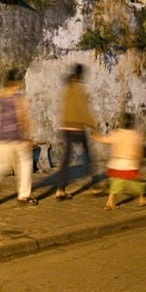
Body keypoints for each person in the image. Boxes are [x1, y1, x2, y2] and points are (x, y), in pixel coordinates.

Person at [0, 68, 38, 208]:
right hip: (16, 139)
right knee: (26, 164)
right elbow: (23, 117)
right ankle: (24, 195)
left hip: (1, 139)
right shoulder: (18, 98)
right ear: (18, 82)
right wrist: (28, 137)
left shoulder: (1, 96)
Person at [91, 112, 146, 210]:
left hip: (116, 165)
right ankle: (141, 198)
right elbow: (138, 152)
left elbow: (104, 140)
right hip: (129, 164)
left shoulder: (117, 134)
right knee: (136, 184)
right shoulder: (135, 135)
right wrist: (139, 161)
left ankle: (110, 201)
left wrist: (95, 136)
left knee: (115, 184)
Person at [55, 63, 95, 200]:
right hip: (77, 127)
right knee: (87, 156)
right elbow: (82, 109)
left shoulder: (68, 88)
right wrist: (93, 124)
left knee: (66, 159)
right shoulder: (79, 88)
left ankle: (60, 189)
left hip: (66, 127)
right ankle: (94, 184)